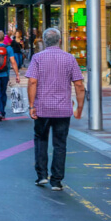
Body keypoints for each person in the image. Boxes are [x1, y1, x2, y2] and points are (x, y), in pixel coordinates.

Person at [26, 28, 85, 191]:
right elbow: (79, 84)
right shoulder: (70, 58)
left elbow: (32, 82)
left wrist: (31, 105)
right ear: (60, 41)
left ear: (45, 41)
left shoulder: (37, 58)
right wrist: (79, 106)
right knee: (60, 144)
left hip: (42, 108)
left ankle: (42, 175)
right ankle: (57, 180)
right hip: (62, 109)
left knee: (41, 139)